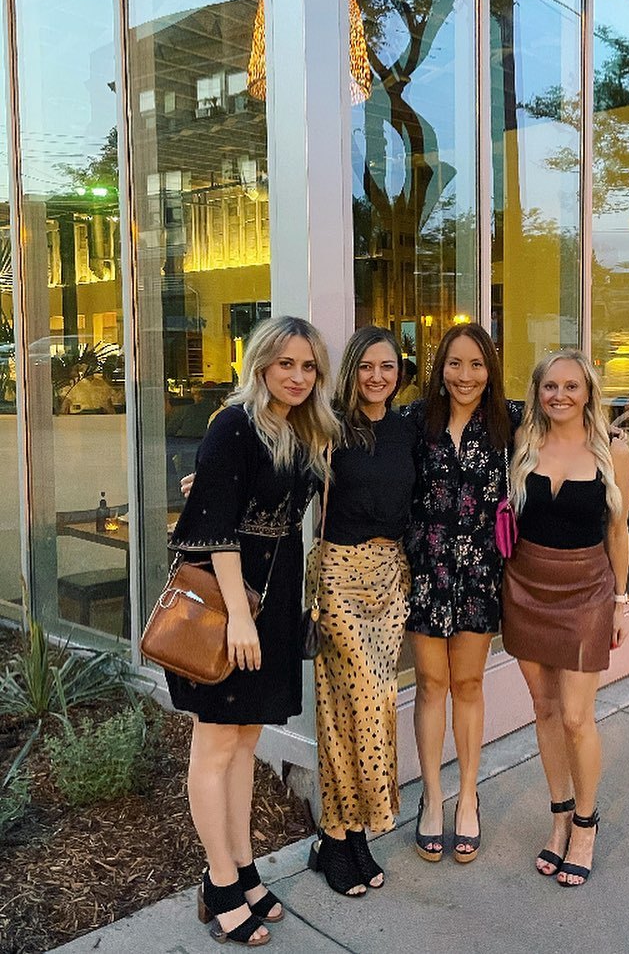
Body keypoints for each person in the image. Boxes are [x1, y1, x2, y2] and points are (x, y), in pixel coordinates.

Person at [166, 315, 338, 946]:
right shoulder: (235, 423)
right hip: (229, 604)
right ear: (261, 363)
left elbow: (244, 498)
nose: (297, 376)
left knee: (245, 744)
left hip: (275, 596)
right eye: (285, 363)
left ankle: (242, 868)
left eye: (308, 366)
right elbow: (215, 528)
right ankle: (217, 883)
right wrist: (240, 615)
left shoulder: (302, 430)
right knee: (215, 745)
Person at [501, 347, 629, 889]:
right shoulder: (522, 444)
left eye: (571, 386)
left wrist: (620, 601)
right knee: (544, 707)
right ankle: (558, 818)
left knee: (577, 717)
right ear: (537, 392)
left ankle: (585, 823)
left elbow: (618, 531)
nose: (560, 395)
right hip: (525, 586)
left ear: (588, 392)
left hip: (586, 592)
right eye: (550, 386)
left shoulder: (614, 449)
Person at [401, 322, 523, 863]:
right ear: (440, 367)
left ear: (490, 370)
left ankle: (468, 796)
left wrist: (610, 438)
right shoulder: (414, 421)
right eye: (455, 363)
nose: (465, 375)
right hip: (426, 572)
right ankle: (432, 797)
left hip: (479, 575)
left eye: (476, 364)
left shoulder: (510, 421)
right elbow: (354, 441)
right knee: (431, 684)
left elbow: (570, 420)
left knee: (468, 683)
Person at [307, 325, 418, 897]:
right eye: (367, 366)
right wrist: (213, 483)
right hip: (339, 577)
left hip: (391, 579)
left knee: (353, 708)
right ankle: (344, 833)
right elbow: (279, 469)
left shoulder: (408, 428)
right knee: (366, 701)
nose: (378, 376)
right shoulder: (327, 428)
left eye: (388, 367)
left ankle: (343, 838)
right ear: (352, 370)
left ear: (400, 373)